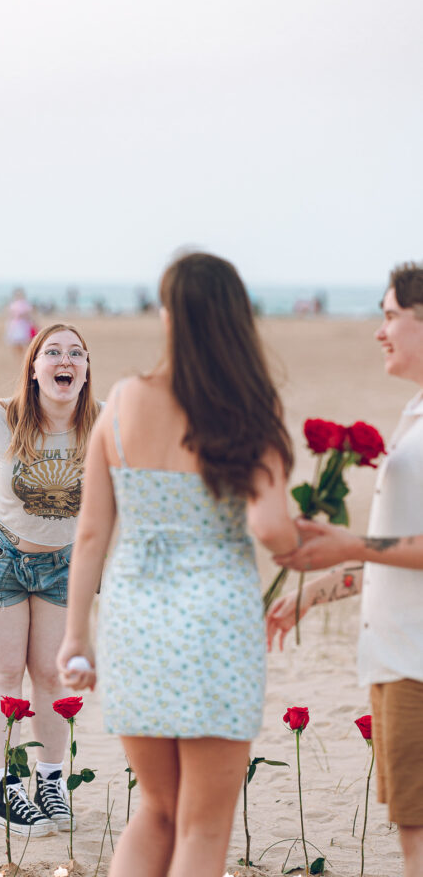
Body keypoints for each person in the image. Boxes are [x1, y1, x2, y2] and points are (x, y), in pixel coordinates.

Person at [56, 251, 300, 877]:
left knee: (157, 810)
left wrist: (77, 638)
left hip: (136, 620)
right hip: (215, 624)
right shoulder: (247, 410)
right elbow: (272, 529)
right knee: (203, 826)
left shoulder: (123, 400)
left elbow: (90, 535)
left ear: (170, 317)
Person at [267, 261, 423, 877]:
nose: (379, 332)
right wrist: (318, 589)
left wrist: (351, 545)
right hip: (394, 655)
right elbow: (395, 553)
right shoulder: (413, 413)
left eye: (390, 317)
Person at [0, 322, 101, 836]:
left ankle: (51, 782)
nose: (66, 360)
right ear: (34, 369)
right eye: (53, 352)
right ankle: (7, 790)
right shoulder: (0, 419)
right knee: (3, 673)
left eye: (76, 354)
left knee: (51, 674)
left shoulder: (102, 425)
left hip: (65, 563)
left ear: (84, 372)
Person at [5, 288, 36, 358]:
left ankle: (23, 356)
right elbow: (10, 315)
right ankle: (18, 356)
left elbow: (29, 315)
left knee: (24, 342)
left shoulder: (25, 304)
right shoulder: (13, 304)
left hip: (23, 325)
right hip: (16, 325)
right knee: (16, 343)